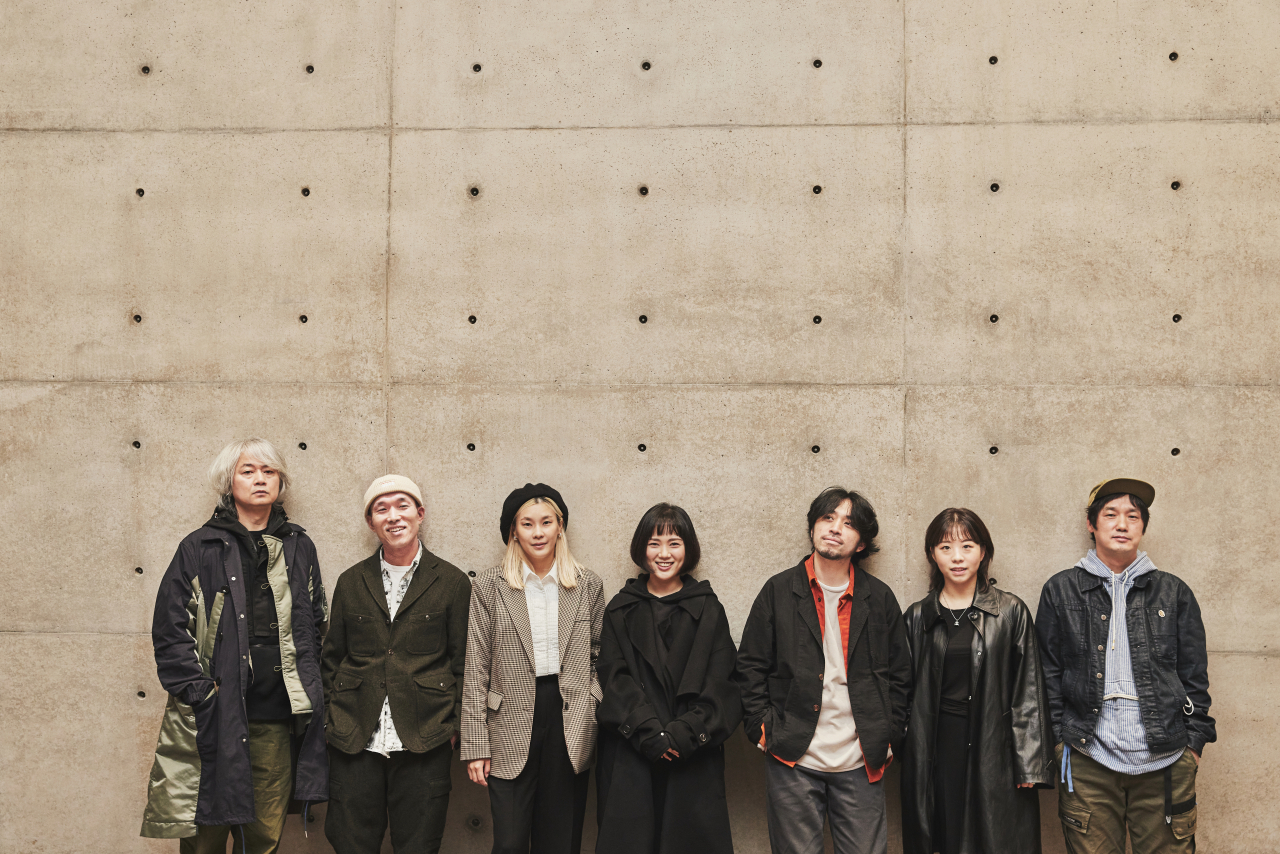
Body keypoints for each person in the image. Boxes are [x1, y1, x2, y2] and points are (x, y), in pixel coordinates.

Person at [140, 438, 328, 852]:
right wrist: (202, 693)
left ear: (280, 481)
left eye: (269, 472)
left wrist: (312, 689)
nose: (260, 479)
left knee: (264, 836)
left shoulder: (300, 546)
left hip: (277, 717)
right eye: (249, 471)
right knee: (204, 834)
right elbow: (170, 631)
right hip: (216, 716)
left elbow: (317, 623)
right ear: (229, 482)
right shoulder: (199, 547)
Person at [1037, 478, 1215, 854]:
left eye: (1132, 516)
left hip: (1166, 758)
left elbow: (1194, 675)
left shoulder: (1174, 592)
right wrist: (1058, 742)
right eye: (1111, 514)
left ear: (1143, 526)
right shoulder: (1061, 590)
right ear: (1092, 524)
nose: (1122, 524)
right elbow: (1047, 674)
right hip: (1087, 757)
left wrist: (1193, 745)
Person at [735, 486, 912, 854]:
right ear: (813, 527)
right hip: (792, 755)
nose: (835, 528)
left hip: (861, 758)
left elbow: (900, 675)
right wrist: (762, 727)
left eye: (848, 523)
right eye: (827, 518)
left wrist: (890, 735)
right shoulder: (778, 591)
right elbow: (750, 665)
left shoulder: (879, 598)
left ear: (861, 542)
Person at [321, 475, 471, 853]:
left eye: (402, 506)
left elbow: (464, 663)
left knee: (419, 845)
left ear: (420, 515)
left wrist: (452, 727)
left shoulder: (452, 582)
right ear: (371, 522)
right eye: (381, 509)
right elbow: (331, 658)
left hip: (425, 738)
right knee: (350, 844)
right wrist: (330, 719)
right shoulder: (351, 581)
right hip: (354, 738)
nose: (393, 516)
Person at [461, 483, 605, 854]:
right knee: (508, 842)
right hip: (507, 720)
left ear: (560, 526)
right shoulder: (489, 587)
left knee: (560, 841)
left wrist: (593, 701)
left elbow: (601, 655)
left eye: (546, 522)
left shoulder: (587, 584)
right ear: (513, 531)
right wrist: (476, 743)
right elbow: (476, 665)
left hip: (569, 719)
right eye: (527, 524)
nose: (538, 532)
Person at [900, 508, 1054, 854]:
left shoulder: (1010, 611)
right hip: (936, 746)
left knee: (994, 838)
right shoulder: (917, 616)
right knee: (944, 835)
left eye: (967, 546)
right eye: (945, 548)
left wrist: (1030, 763)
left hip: (993, 745)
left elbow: (1029, 689)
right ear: (932, 555)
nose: (957, 557)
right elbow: (902, 692)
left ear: (983, 552)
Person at [595, 503, 743, 854]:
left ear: (688, 549)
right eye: (654, 543)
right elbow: (612, 678)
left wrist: (682, 734)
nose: (664, 554)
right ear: (640, 549)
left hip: (692, 755)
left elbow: (724, 684)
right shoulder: (619, 608)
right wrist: (650, 734)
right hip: (631, 753)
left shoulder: (709, 609)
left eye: (674, 543)